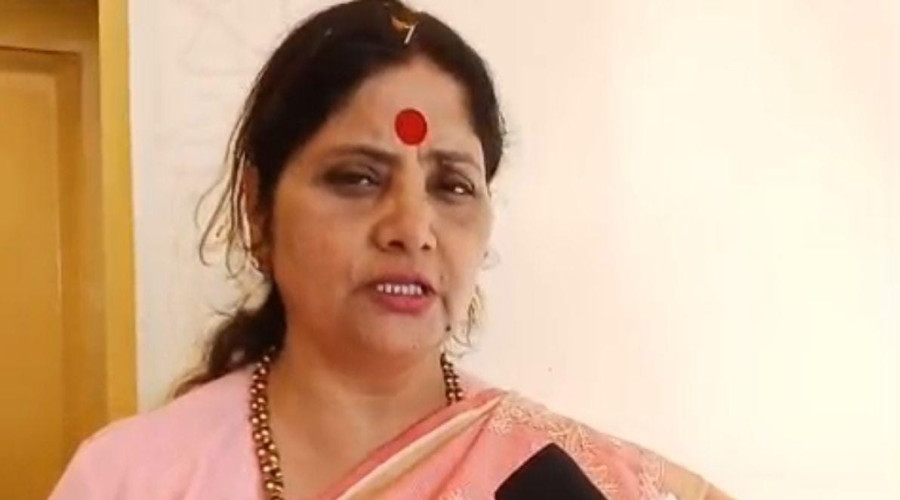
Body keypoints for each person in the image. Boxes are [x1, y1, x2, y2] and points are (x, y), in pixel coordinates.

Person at [51, 1, 730, 498]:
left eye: (452, 185)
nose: (412, 227)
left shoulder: (557, 478)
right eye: (357, 178)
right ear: (258, 208)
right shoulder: (131, 479)